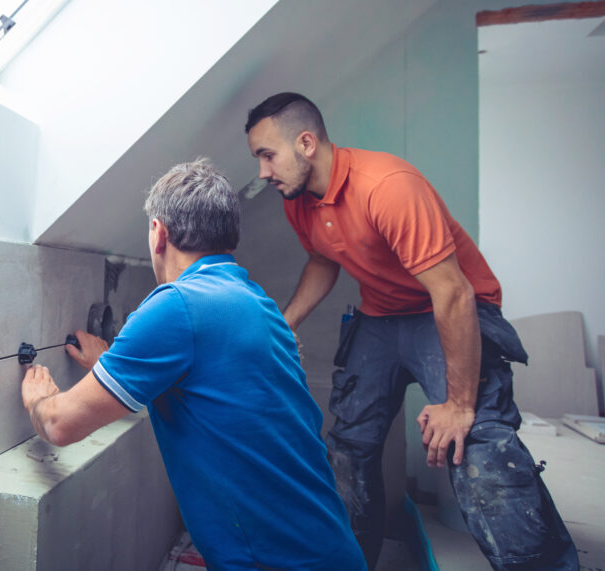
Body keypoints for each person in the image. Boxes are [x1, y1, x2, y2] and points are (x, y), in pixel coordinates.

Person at [245, 92, 578, 570]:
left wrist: (460, 405)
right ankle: (348, 563)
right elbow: (323, 258)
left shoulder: (388, 186)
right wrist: (284, 324)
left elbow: (454, 293)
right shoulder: (298, 200)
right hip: (381, 317)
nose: (263, 172)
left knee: (477, 442)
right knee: (348, 448)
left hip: (449, 307)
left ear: (306, 143)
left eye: (267, 155)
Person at [21, 158, 365, 570]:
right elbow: (211, 390)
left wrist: (39, 400)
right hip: (328, 547)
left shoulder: (176, 306)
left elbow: (61, 426)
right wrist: (111, 363)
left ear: (158, 233)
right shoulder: (255, 302)